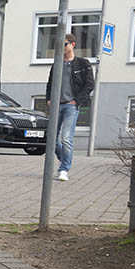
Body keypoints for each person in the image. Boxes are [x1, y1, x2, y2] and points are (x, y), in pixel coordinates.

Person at [45, 33, 95, 181]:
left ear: (72, 45)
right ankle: (64, 159)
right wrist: (48, 99)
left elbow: (89, 84)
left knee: (66, 138)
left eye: (64, 44)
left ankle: (64, 169)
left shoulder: (82, 63)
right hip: (56, 106)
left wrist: (76, 101)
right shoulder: (56, 64)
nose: (61, 47)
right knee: (51, 138)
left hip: (71, 106)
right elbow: (50, 84)